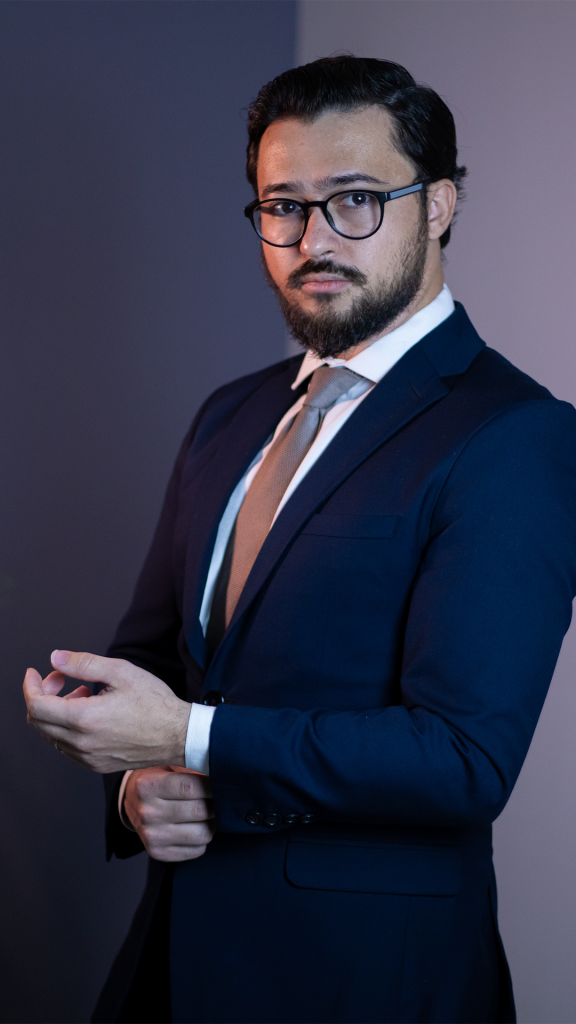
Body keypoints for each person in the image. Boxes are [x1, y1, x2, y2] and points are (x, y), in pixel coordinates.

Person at [23, 56, 576, 1024]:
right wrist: (137, 786)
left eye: (355, 199)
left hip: (367, 982)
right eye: (283, 206)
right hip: (168, 964)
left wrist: (185, 737)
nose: (313, 239)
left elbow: (463, 759)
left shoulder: (516, 435)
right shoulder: (229, 415)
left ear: (438, 205)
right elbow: (156, 660)